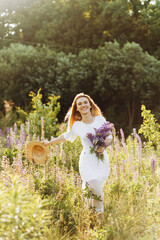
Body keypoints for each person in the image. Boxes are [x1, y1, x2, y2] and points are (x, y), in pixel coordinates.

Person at [42, 93, 113, 218]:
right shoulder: (77, 125)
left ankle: (91, 222)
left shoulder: (100, 120)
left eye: (85, 102)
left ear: (90, 105)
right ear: (77, 108)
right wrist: (49, 143)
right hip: (87, 162)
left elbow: (109, 136)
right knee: (98, 193)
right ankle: (100, 224)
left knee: (94, 194)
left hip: (102, 162)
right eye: (79, 104)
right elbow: (65, 136)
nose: (83, 105)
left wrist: (104, 145)